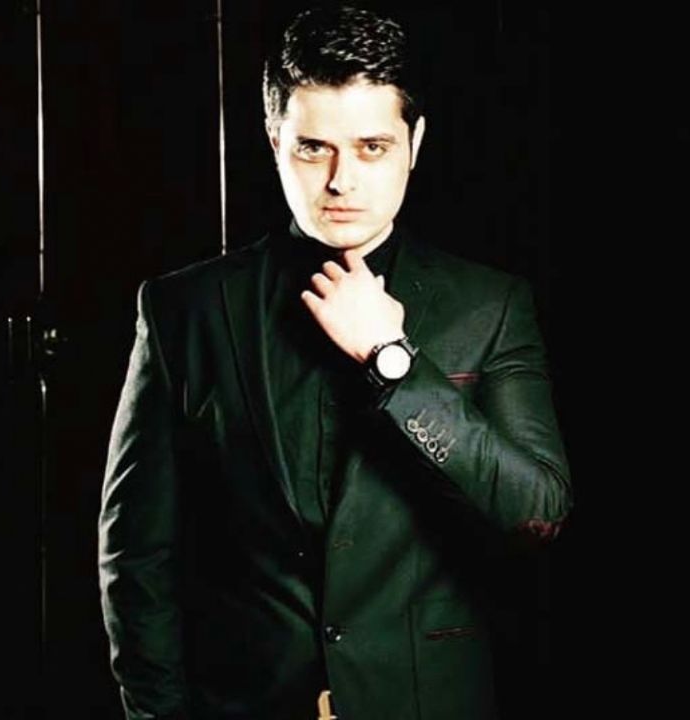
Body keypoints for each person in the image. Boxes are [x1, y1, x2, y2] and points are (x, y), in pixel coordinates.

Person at [98, 5, 572, 720]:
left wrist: (392, 361)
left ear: (414, 143)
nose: (342, 180)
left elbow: (537, 511)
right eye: (313, 148)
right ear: (274, 142)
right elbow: (137, 558)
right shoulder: (184, 311)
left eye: (372, 147)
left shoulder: (490, 306)